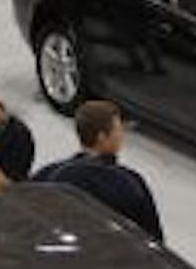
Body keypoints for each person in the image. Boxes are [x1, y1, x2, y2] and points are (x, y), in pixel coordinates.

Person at [32, 100, 164, 242]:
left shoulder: (46, 175)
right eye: (118, 129)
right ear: (102, 137)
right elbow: (153, 239)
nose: (122, 135)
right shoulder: (130, 183)